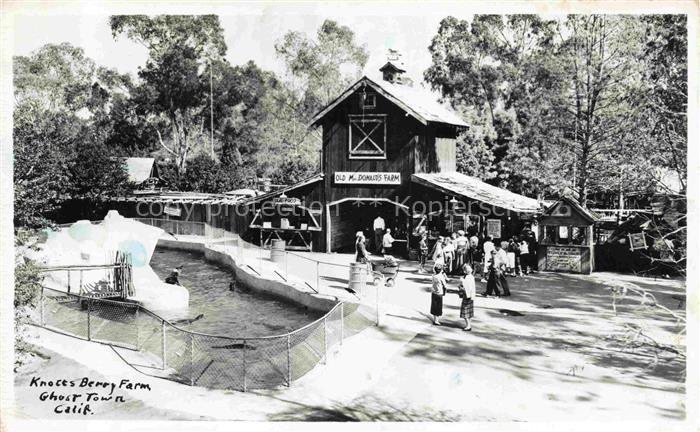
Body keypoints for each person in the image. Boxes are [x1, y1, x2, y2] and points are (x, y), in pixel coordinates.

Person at [458, 264, 476, 331]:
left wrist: (462, 282)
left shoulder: (467, 278)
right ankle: (468, 324)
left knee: (465, 311)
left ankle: (468, 325)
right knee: (468, 311)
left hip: (467, 296)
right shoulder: (470, 276)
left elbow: (466, 287)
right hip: (470, 296)